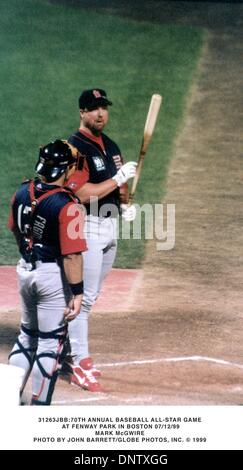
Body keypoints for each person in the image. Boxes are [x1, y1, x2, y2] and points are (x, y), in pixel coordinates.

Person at [64, 88, 137, 392]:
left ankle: (65, 350)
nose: (100, 114)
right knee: (84, 297)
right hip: (86, 227)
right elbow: (82, 193)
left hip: (109, 228)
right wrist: (119, 180)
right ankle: (79, 361)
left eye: (103, 107)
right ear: (82, 112)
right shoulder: (74, 148)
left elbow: (118, 192)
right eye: (93, 108)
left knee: (91, 296)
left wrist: (126, 203)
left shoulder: (111, 145)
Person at [8, 139, 87, 405]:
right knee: (50, 343)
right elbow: (72, 255)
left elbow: (16, 230)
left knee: (27, 336)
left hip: (25, 270)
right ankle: (38, 411)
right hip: (51, 277)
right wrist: (77, 293)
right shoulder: (68, 204)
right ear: (65, 170)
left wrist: (29, 253)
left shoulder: (21, 192)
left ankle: (6, 402)